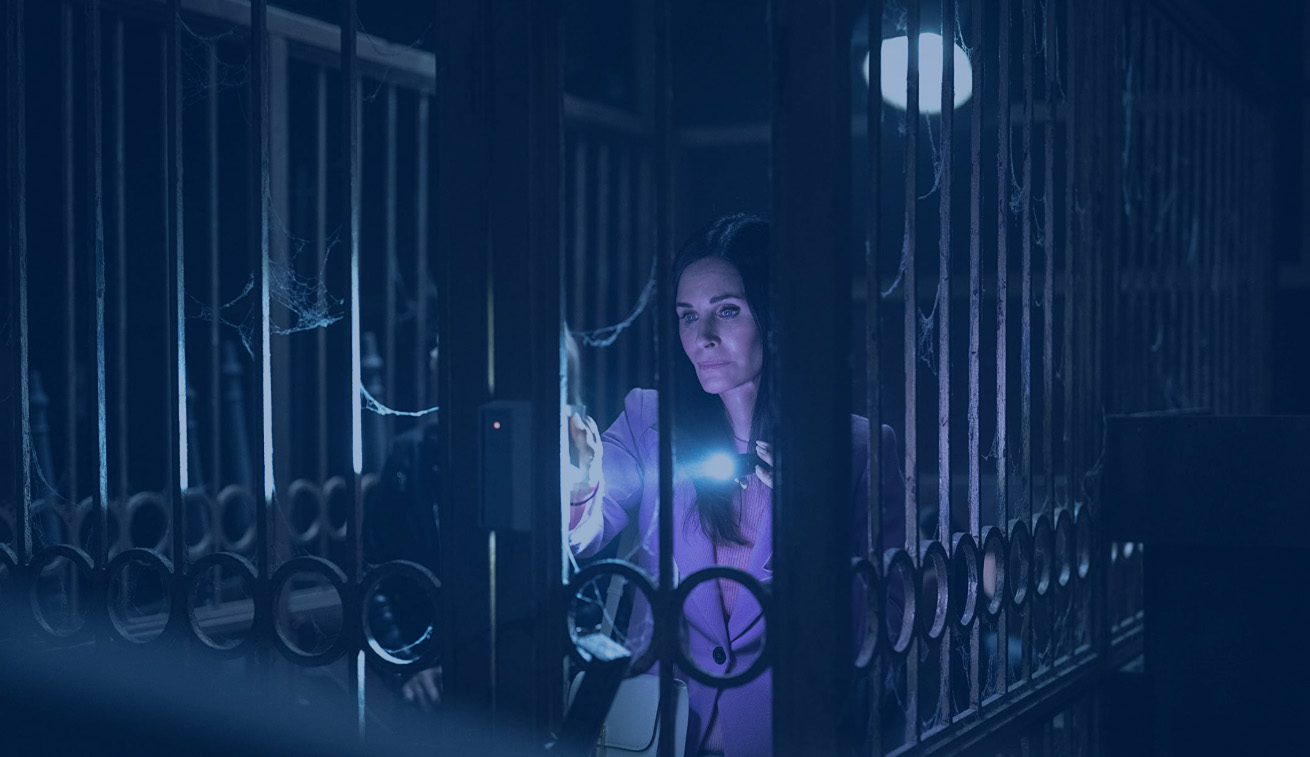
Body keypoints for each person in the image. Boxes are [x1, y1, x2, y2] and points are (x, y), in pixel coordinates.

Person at [567, 213, 905, 757]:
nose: (702, 337)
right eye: (686, 316)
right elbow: (583, 535)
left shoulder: (858, 447)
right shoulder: (647, 420)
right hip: (665, 730)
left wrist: (808, 525)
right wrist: (581, 482)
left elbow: (887, 618)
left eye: (727, 310)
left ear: (774, 316)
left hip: (790, 734)